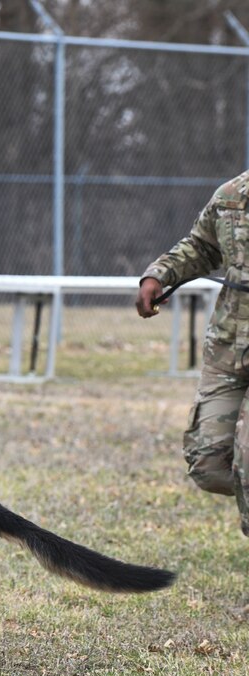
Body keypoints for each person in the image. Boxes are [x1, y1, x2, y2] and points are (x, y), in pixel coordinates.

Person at [136, 169, 249, 536]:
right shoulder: (234, 194)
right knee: (209, 462)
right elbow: (203, 246)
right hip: (230, 348)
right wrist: (158, 276)